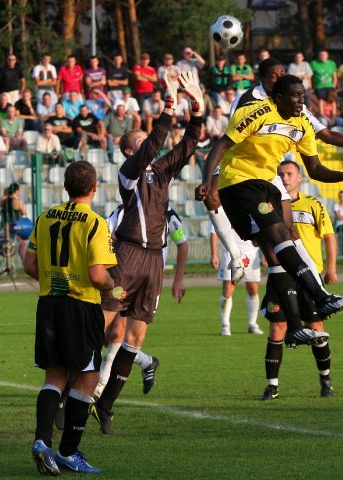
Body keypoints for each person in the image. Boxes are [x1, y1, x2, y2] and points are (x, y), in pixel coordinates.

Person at [195, 75, 343, 348]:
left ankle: (295, 328)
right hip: (237, 182)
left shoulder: (301, 123)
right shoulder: (256, 112)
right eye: (296, 96)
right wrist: (207, 181)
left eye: (304, 96)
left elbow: (316, 169)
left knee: (276, 253)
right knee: (279, 233)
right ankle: (320, 296)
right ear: (279, 97)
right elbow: (222, 144)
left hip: (266, 184)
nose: (302, 101)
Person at [90, 71, 203, 435]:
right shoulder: (130, 171)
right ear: (129, 151)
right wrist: (169, 104)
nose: (148, 143)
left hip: (155, 260)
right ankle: (69, 397)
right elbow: (156, 142)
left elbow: (188, 144)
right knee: (101, 327)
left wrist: (196, 108)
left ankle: (105, 406)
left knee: (135, 338)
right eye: (139, 140)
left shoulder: (161, 172)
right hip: (128, 255)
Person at [24, 161, 118, 475]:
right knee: (87, 377)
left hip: (49, 303)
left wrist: (56, 281)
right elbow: (97, 273)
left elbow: (29, 265)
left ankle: (41, 441)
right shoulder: (95, 222)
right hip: (81, 306)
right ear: (94, 188)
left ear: (66, 186)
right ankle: (68, 451)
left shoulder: (45, 216)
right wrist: (111, 286)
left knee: (54, 377)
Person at [261, 160, 340, 400]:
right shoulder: (269, 206)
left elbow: (329, 236)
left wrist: (331, 268)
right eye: (281, 174)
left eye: (289, 174)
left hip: (309, 276)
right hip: (281, 275)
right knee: (278, 328)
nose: (284, 178)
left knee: (316, 328)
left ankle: (325, 380)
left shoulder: (313, 204)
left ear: (299, 178)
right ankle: (272, 386)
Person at [94, 204, 188, 400]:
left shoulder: (166, 213)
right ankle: (147, 362)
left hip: (149, 281)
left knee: (119, 333)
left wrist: (178, 279)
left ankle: (98, 389)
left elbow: (182, 242)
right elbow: (105, 234)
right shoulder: (124, 210)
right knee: (105, 335)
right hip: (124, 274)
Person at [210, 223, 263, 336]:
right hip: (230, 254)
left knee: (253, 290)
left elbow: (262, 228)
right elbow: (214, 231)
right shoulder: (222, 209)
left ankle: (252, 324)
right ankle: (225, 325)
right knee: (228, 290)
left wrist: (266, 254)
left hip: (251, 254)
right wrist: (214, 253)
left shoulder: (250, 207)